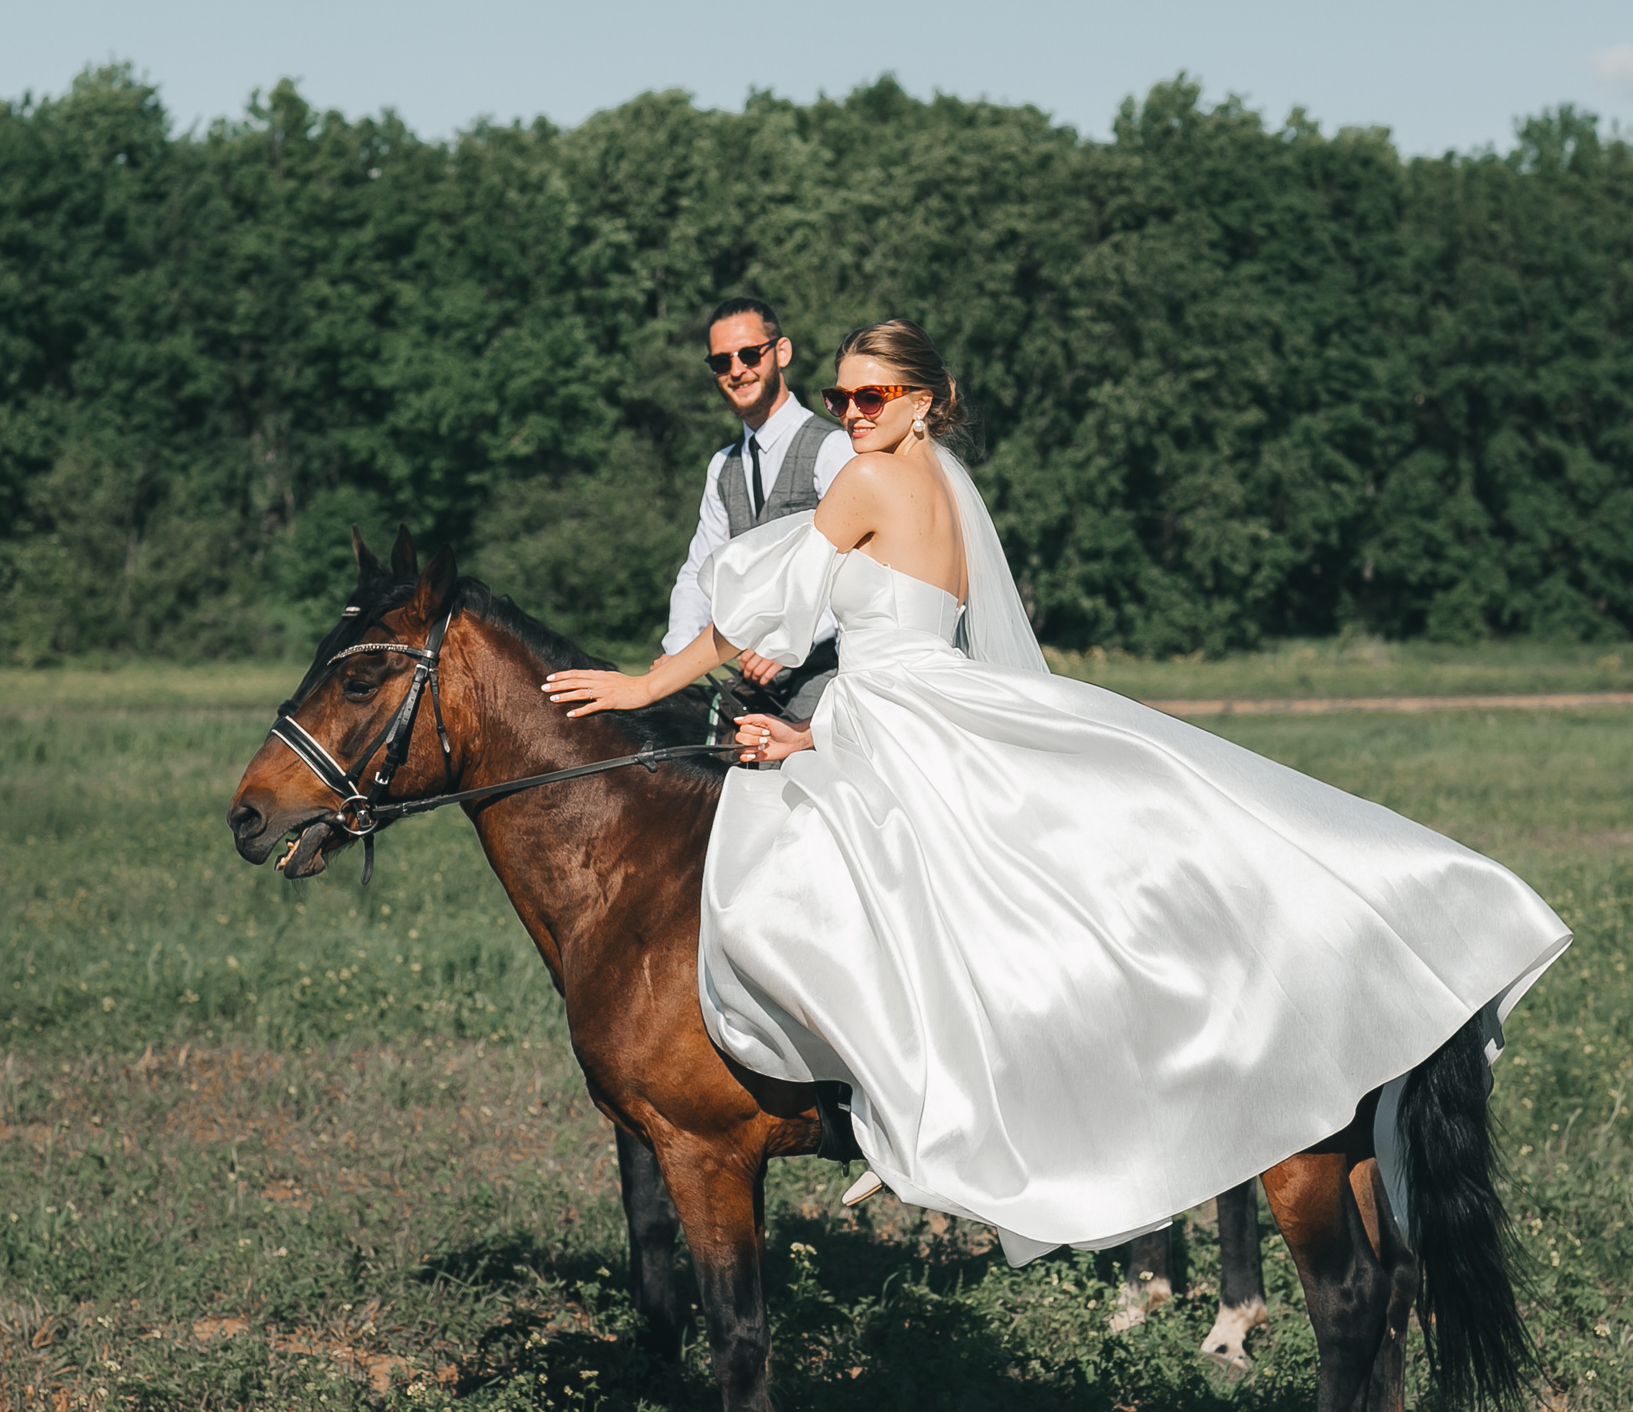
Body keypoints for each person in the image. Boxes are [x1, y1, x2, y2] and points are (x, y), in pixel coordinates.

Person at [544, 320, 1571, 1264]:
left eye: (871, 398)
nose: (852, 415)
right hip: (927, 710)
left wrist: (640, 687)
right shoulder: (945, 485)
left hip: (898, 720)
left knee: (790, 891)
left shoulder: (861, 485)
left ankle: (890, 1106)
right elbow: (905, 642)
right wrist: (817, 728)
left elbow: (757, 618)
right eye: (843, 397)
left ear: (920, 401)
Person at [665, 296, 855, 728]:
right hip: (749, 682)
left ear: (781, 352)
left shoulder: (831, 448)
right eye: (720, 362)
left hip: (828, 669)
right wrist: (678, 658)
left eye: (750, 354)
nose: (736, 370)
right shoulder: (722, 465)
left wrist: (790, 642)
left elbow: (858, 569)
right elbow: (699, 571)